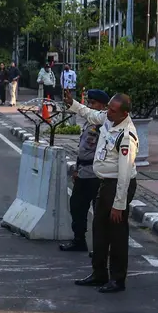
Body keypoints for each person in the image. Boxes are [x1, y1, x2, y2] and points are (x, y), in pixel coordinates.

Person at [63, 90, 140, 293]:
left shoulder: (126, 136)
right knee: (99, 229)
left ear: (124, 114)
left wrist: (119, 204)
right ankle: (99, 273)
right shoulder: (108, 120)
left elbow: (124, 174)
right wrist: (73, 104)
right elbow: (91, 114)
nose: (109, 113)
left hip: (117, 186)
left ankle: (117, 279)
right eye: (109, 109)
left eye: (113, 111)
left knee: (117, 233)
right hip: (105, 183)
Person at [59, 89, 110, 253]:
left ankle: (101, 248)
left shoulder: (106, 123)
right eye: (89, 102)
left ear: (103, 105)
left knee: (99, 213)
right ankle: (79, 240)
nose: (90, 105)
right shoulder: (91, 121)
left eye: (93, 103)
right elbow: (83, 149)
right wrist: (76, 169)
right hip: (83, 172)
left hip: (97, 174)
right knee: (77, 207)